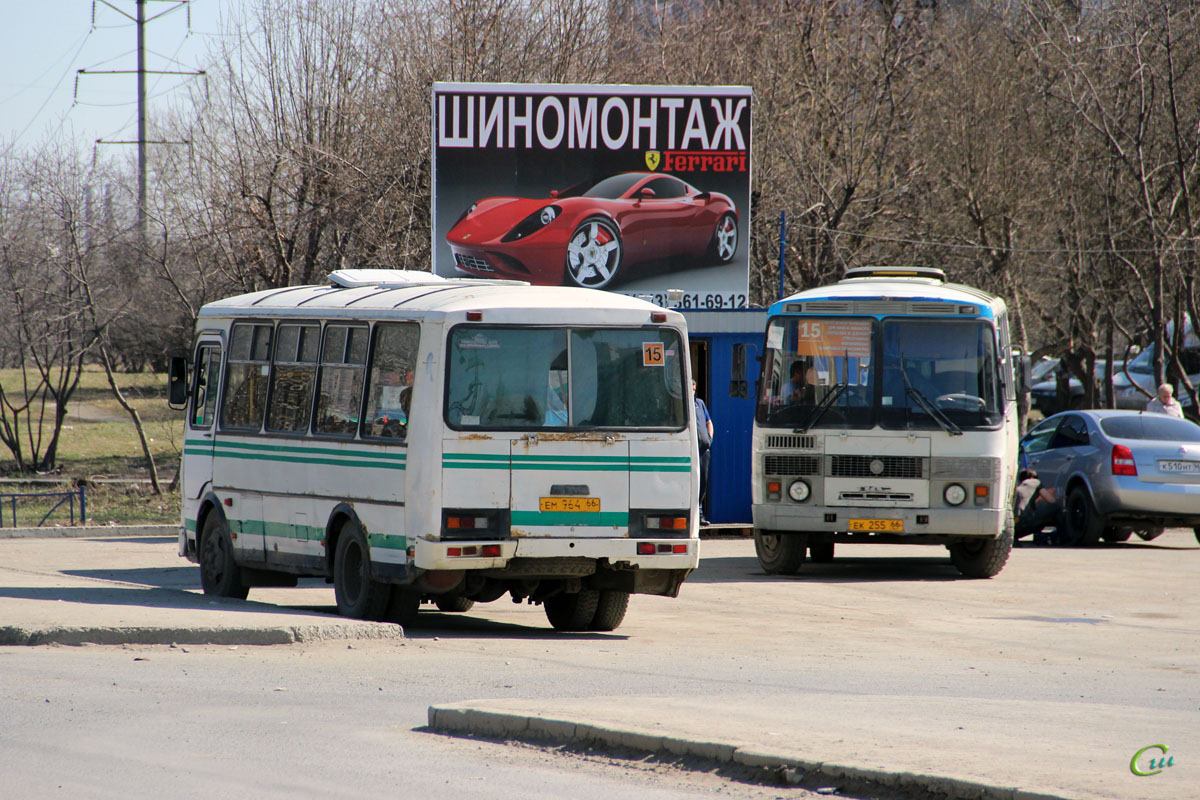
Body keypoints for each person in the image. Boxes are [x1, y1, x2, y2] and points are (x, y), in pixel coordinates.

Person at [1013, 468, 1062, 543]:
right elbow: (1051, 500)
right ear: (1032, 477)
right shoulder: (1035, 482)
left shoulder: (1018, 487)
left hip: (1014, 529)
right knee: (1055, 507)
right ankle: (1063, 537)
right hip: (1025, 524)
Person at [693, 379, 714, 525]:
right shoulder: (683, 404)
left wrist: (710, 438)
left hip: (704, 450)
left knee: (703, 481)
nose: (693, 390)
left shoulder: (700, 403)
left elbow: (708, 422)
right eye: (690, 387)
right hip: (690, 452)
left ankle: (700, 515)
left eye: (694, 388)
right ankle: (693, 515)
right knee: (692, 481)